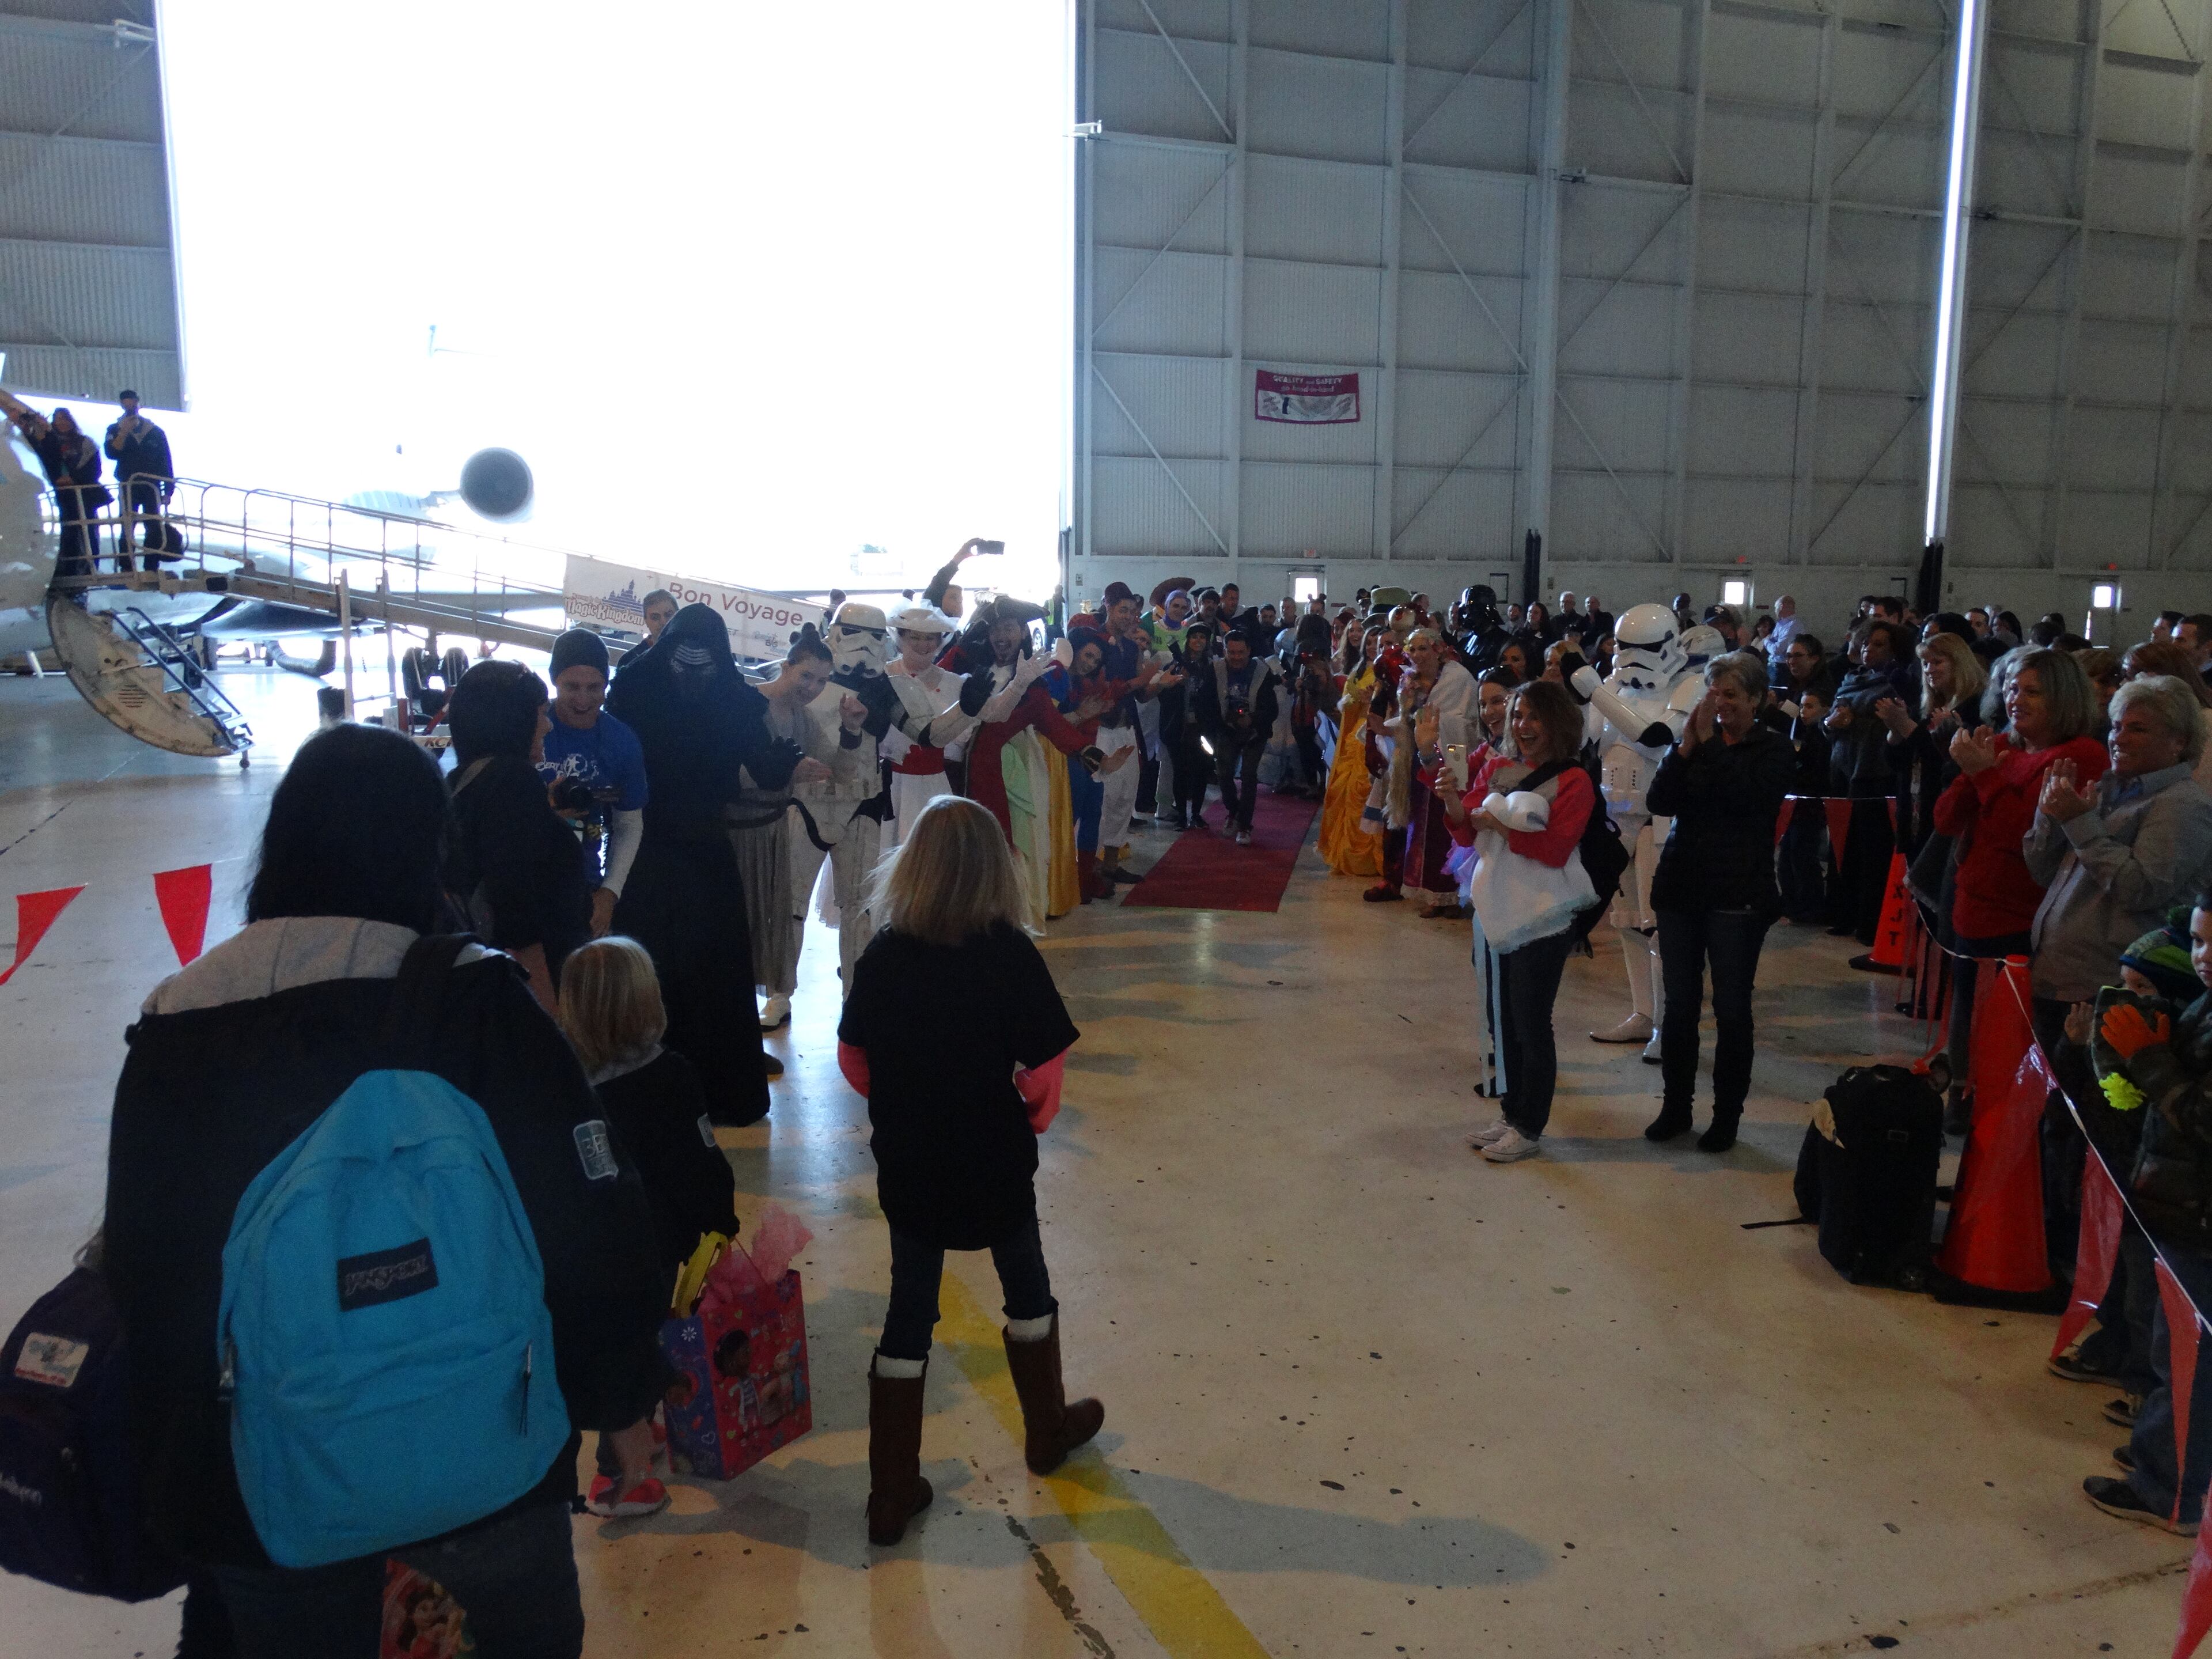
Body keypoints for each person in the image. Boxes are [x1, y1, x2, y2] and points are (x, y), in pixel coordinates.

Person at [104, 724, 665, 1657]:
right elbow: (588, 1219)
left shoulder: (180, 1023)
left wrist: (188, 1492)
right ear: (428, 848)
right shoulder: (479, 1002)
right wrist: (621, 1398)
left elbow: (151, 1274)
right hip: (485, 1471)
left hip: (272, 1497)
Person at [836, 798, 1099, 1546]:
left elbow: (854, 1058)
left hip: (912, 1163)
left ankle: (890, 1490)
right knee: (1027, 1286)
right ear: (997, 870)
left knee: (909, 1312)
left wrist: (900, 1097)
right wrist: (1029, 1115)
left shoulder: (885, 953)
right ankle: (1046, 1431)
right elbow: (1046, 1066)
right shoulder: (1010, 953)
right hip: (995, 1158)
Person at [608, 604, 817, 1124]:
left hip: (697, 847)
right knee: (664, 969)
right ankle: (665, 1089)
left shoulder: (725, 697)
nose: (694, 673)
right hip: (652, 849)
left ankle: (712, 1089)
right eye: (685, 662)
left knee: (708, 971)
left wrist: (779, 764)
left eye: (703, 664)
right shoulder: (637, 689)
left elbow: (762, 769)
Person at [557, 935, 738, 1521]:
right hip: (656, 1243)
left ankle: (635, 1438)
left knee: (622, 1341)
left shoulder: (569, 1090)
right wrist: (720, 1217)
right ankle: (620, 1480)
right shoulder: (673, 1077)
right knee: (632, 1349)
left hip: (590, 1250)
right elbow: (700, 1160)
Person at [1933, 647, 2107, 1130]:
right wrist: (1973, 775)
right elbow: (1946, 821)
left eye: (2032, 691)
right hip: (1973, 911)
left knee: (2007, 1035)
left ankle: (1996, 1116)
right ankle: (1965, 1106)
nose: (2016, 699)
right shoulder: (2004, 745)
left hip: (2019, 918)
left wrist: (1984, 774)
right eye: (2011, 688)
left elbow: (2025, 841)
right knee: (1966, 1020)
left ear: (2063, 698)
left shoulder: (2080, 756)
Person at [2082, 896, 2212, 1533]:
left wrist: (2149, 1059)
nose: (2204, 958)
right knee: (2182, 1351)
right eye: (2197, 942)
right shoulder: (2203, 1006)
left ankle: (2171, 1490)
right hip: (2185, 1207)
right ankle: (2171, 1455)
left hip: (2202, 1217)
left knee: (2187, 1358)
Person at [1643, 652, 1797, 1150]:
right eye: (1713, 693)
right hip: (1682, 888)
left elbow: (1743, 799)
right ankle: (1675, 1108)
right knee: (1681, 1006)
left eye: (1731, 695)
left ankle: (1726, 1116)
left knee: (1731, 1010)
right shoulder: (1697, 744)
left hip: (1738, 895)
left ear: (1756, 700)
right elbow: (1660, 802)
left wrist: (1706, 746)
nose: (1720, 703)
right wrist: (1683, 750)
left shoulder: (1774, 751)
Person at [1450, 680, 1597, 1163]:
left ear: (1558, 721)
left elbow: (1555, 850)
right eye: (1517, 715)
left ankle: (1530, 1125)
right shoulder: (1495, 766)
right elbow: (1467, 829)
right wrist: (1452, 799)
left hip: (1542, 916)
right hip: (1495, 911)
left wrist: (1497, 825)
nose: (1522, 725)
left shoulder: (1574, 781)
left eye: (1533, 716)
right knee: (1502, 1019)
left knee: (1531, 1022)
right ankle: (1512, 1113)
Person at [2026, 676, 2212, 1040]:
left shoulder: (2182, 805)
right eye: (2115, 727)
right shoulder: (2112, 791)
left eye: (2138, 729)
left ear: (2179, 742)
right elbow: (2042, 872)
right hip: (2060, 977)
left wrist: (2078, 821)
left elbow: (2141, 889)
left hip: (2109, 985)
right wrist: (2049, 816)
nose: (2119, 739)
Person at [444, 660, 594, 1008]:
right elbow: (519, 908)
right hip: (532, 982)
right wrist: (548, 1014)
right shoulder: (514, 784)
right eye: (539, 713)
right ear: (512, 720)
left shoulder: (461, 781)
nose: (547, 724)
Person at [739, 627, 864, 1030]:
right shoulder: (747, 704)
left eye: (822, 681)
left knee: (768, 923)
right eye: (806, 676)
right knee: (745, 927)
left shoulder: (802, 718)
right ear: (786, 666)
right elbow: (729, 773)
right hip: (740, 833)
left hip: (772, 830)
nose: (812, 688)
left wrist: (852, 730)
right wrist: (787, 772)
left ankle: (755, 1020)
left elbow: (841, 771)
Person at [537, 628, 647, 944]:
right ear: (554, 681)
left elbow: (628, 824)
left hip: (583, 877)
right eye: (572, 687)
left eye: (594, 687)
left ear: (607, 685)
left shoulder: (621, 742)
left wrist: (609, 893)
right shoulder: (531, 726)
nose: (584, 700)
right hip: (522, 874)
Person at [1, 392, 107, 575]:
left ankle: (90, 567)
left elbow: (93, 469)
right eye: (57, 419)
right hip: (62, 495)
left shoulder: (85, 443)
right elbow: (42, 451)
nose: (60, 422)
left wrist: (74, 479)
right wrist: (28, 427)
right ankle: (68, 568)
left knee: (87, 530)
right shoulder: (51, 440)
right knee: (68, 532)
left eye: (63, 419)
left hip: (82, 493)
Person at [1195, 631, 1281, 846]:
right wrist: (1223, 722)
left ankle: (1244, 825)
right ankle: (1234, 811)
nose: (1236, 657)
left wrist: (1252, 719)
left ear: (1249, 652)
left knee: (1249, 775)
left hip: (1255, 730)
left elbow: (1272, 709)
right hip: (1226, 729)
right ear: (1224, 651)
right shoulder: (1215, 670)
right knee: (1223, 773)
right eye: (1231, 652)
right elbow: (1205, 704)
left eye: (1241, 653)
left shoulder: (1262, 672)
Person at [1318, 624, 1384, 877]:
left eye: (1378, 643)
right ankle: (1346, 853)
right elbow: (1346, 706)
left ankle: (1371, 856)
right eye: (1369, 642)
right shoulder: (1358, 672)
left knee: (1367, 791)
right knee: (1345, 791)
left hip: (1376, 735)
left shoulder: (1386, 673)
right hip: (1355, 737)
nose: (1372, 647)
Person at [104, 390, 176, 564]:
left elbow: (165, 460)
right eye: (126, 405)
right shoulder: (114, 430)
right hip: (128, 484)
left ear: (138, 403)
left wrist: (169, 490)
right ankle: (126, 565)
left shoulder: (155, 432)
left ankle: (151, 565)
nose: (130, 408)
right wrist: (123, 433)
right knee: (127, 525)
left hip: (152, 484)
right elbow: (111, 453)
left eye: (133, 404)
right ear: (122, 405)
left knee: (153, 524)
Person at [620, 589, 678, 665]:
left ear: (678, 615)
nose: (664, 622)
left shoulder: (694, 655)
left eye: (669, 615)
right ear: (646, 621)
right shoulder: (630, 660)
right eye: (655, 617)